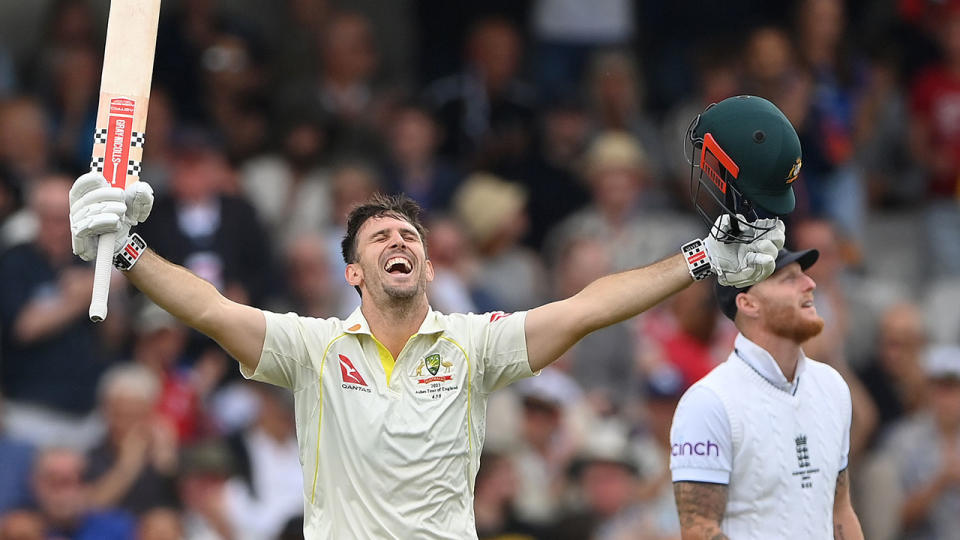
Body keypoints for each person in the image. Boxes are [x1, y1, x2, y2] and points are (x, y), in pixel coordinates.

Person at [68, 95, 791, 538]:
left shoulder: (473, 345)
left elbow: (585, 308)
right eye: (379, 237)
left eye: (409, 234)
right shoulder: (312, 347)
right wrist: (128, 251)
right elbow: (208, 307)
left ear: (430, 265)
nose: (398, 240)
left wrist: (698, 260)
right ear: (352, 272)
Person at [669, 248, 864, 539]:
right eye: (788, 279)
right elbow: (698, 528)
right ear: (748, 303)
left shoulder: (832, 386)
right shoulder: (708, 401)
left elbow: (840, 510)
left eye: (803, 275)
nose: (809, 284)